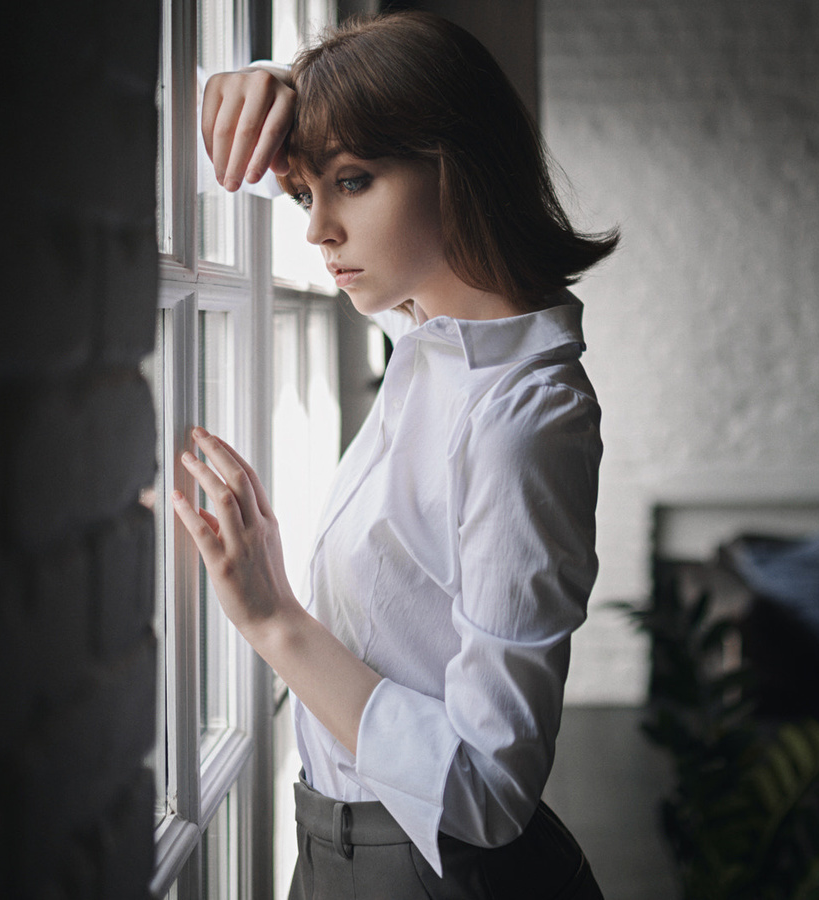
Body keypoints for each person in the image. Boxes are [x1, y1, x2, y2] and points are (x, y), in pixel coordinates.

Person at [173, 11, 617, 899]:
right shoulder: (431, 332)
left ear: (459, 164)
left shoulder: (521, 417)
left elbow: (491, 791)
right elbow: (263, 163)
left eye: (353, 183)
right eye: (309, 194)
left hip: (424, 871)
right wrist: (251, 86)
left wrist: (272, 619)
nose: (318, 230)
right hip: (337, 851)